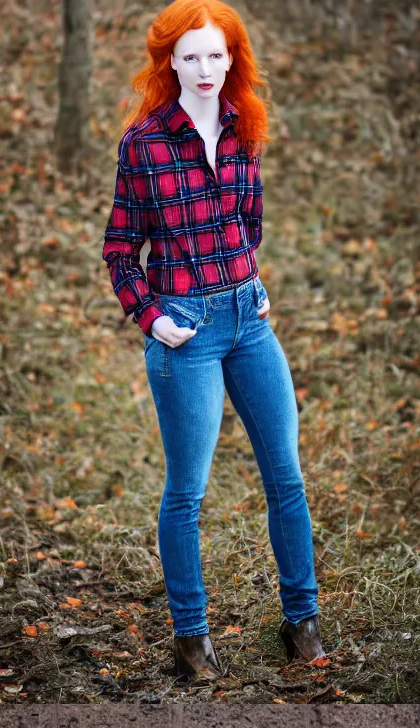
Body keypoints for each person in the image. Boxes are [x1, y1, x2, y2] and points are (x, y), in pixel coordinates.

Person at [103, 0, 326, 682]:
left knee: (285, 474)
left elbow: (248, 224)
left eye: (216, 54)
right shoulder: (143, 146)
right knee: (187, 491)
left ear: (233, 59)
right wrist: (153, 318)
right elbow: (119, 250)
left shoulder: (244, 130)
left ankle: (303, 621)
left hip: (248, 323)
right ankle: (191, 638)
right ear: (169, 61)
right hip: (185, 333)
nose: (205, 68)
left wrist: (250, 282)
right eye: (191, 55)